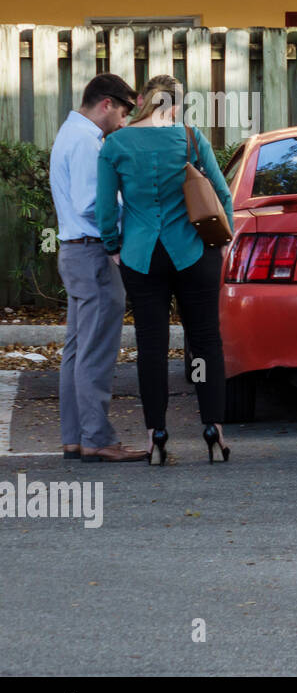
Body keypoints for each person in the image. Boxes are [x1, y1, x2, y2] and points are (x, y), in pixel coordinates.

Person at [97, 75, 234, 466]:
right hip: (193, 252)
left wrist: (113, 246)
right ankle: (213, 429)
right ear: (176, 104)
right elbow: (221, 194)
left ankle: (155, 434)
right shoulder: (190, 138)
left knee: (152, 347)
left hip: (141, 257)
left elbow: (106, 207)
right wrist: (225, 240)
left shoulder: (115, 144)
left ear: (141, 100)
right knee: (205, 343)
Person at [51, 74, 149, 463]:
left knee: (77, 350)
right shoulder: (88, 143)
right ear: (106, 104)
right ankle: (97, 438)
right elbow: (93, 204)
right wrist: (131, 222)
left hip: (75, 251)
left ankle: (76, 437)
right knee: (95, 352)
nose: (124, 122)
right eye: (124, 112)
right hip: (93, 253)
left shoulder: (70, 133)